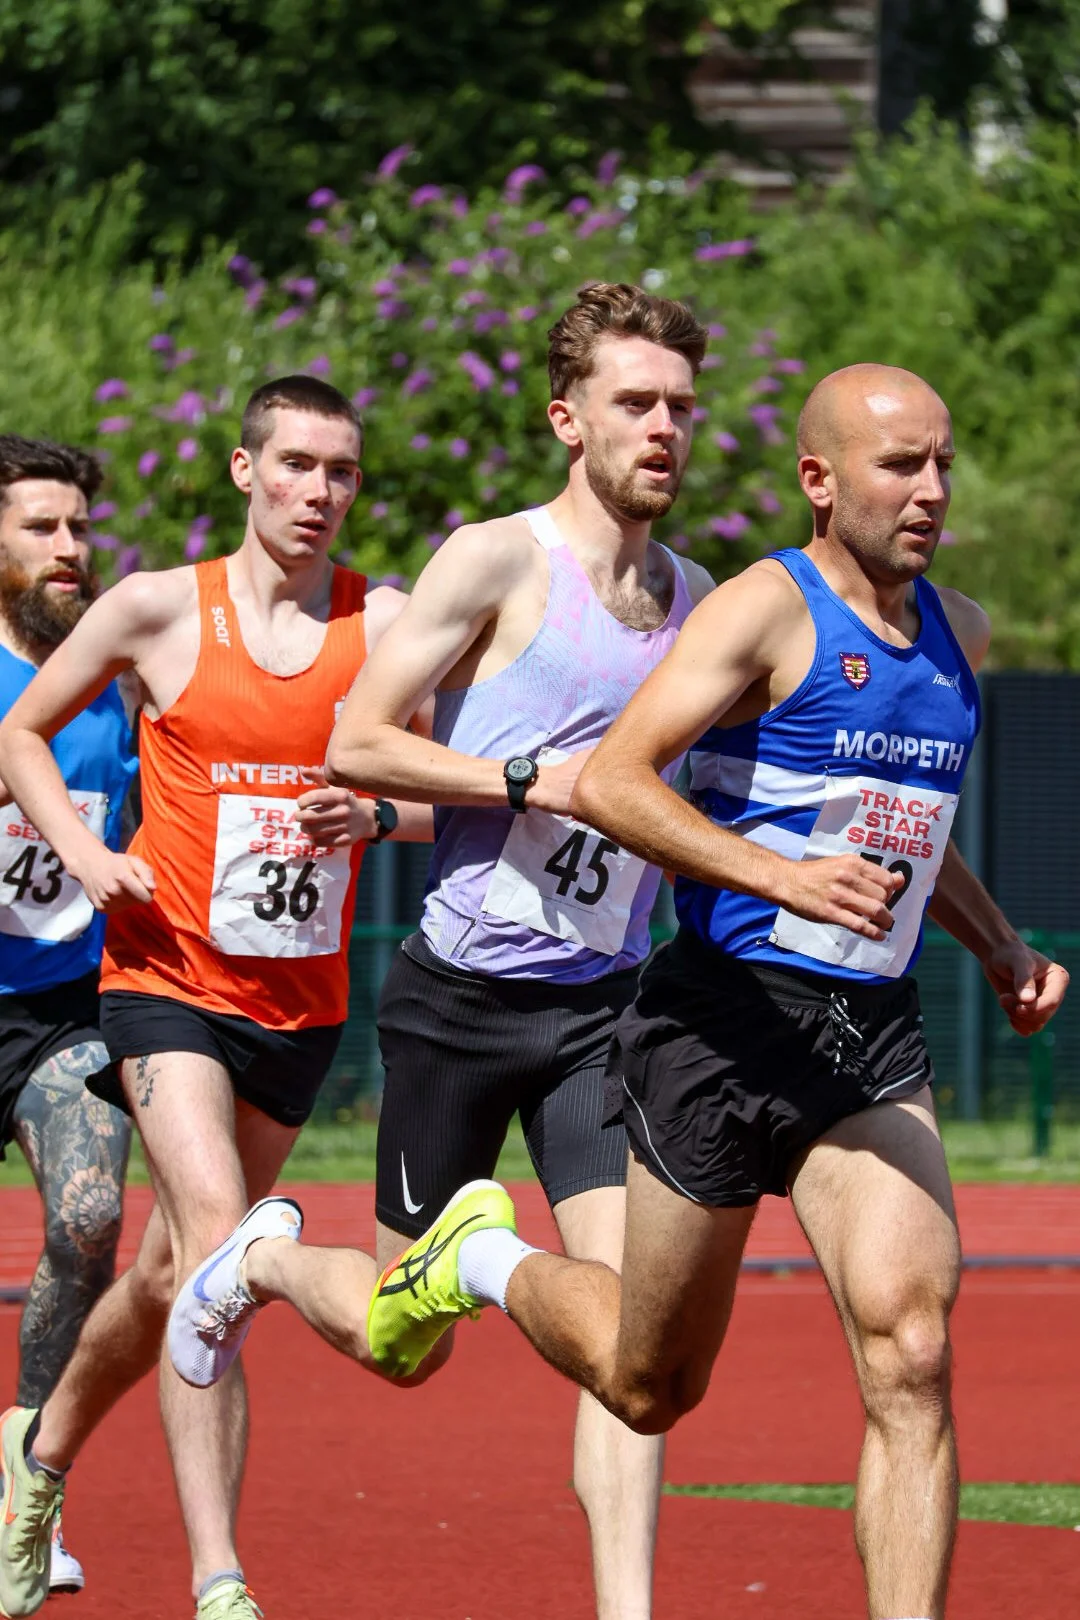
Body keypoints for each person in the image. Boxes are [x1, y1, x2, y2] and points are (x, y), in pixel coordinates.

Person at [363, 363, 1069, 1620]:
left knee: (914, 1349)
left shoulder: (962, 631)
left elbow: (918, 831)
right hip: (719, 1028)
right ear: (818, 480)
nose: (932, 491)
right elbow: (620, 780)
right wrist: (774, 874)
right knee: (647, 1386)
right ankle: (481, 1256)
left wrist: (1001, 946)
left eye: (944, 464)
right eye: (900, 466)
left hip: (868, 1042)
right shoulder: (760, 610)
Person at [166, 282, 716, 1620]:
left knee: (628, 1331)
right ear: (566, 417)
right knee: (396, 1346)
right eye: (635, 402)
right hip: (458, 1005)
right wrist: (532, 775)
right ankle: (266, 1258)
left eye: (682, 408)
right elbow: (357, 741)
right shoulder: (496, 559)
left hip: (600, 1012)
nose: (663, 429)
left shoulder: (700, 600)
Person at [0, 376, 430, 1620]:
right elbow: (22, 731)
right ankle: (221, 1580)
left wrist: (383, 812)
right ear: (246, 472)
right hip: (161, 984)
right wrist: (88, 862)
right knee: (223, 1246)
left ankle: (35, 1465)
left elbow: (451, 790)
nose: (319, 493)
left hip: (297, 1005)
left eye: (341, 473)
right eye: (295, 465)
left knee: (161, 1273)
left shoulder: (386, 622)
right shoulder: (152, 610)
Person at [0, 434, 137, 1600]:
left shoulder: (111, 677)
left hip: (60, 1008)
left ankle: (25, 1494)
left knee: (92, 1214)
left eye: (78, 529)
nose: (67, 549)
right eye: (41, 528)